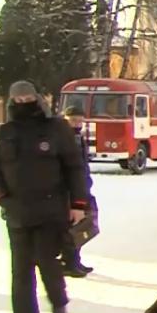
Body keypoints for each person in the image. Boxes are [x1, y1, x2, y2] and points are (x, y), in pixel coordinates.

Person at [0, 81, 90, 313]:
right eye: (18, 100)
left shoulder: (56, 128)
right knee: (20, 268)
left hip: (50, 209)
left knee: (46, 260)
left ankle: (58, 299)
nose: (24, 104)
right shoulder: (6, 132)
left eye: (28, 98)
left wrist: (78, 204)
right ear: (12, 103)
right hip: (17, 211)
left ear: (37, 99)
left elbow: (74, 168)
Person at [59, 107, 97, 278]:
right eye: (73, 120)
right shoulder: (62, 138)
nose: (77, 124)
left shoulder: (78, 138)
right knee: (73, 226)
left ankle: (75, 259)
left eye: (80, 121)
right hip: (68, 190)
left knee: (83, 224)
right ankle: (69, 262)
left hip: (81, 187)